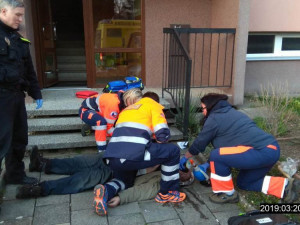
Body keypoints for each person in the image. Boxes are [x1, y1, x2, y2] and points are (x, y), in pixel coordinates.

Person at [16, 90, 144, 198]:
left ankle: (39, 189)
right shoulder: (131, 115)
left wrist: (120, 195)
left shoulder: (158, 146)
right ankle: (42, 165)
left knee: (80, 180)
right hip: (110, 156)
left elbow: (146, 184)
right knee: (78, 162)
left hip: (115, 171)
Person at [180, 93, 300, 204]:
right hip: (270, 151)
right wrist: (208, 164)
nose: (202, 112)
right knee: (245, 183)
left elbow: (200, 142)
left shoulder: (215, 118)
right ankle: (286, 186)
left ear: (211, 107)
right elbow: (230, 150)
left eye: (203, 108)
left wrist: (185, 157)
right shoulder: (232, 113)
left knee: (216, 155)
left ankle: (227, 194)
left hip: (261, 151)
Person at [93, 89, 186, 216]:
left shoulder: (127, 110)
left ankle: (105, 191)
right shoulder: (153, 105)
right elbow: (162, 135)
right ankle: (168, 193)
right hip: (131, 155)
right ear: (156, 102)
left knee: (125, 180)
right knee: (173, 151)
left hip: (112, 157)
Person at [0, 0, 43, 185]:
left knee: (19, 137)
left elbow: (28, 69)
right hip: (1, 97)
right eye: (17, 14)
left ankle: (15, 175)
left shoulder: (18, 39)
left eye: (22, 15)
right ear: (3, 11)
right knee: (1, 140)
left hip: (17, 96)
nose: (20, 19)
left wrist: (36, 92)